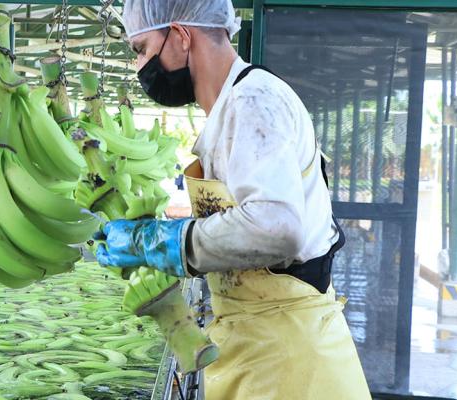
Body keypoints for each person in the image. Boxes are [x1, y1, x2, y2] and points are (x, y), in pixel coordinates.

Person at [94, 1, 371, 398]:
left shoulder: (253, 101)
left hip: (290, 363)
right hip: (261, 348)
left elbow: (278, 228)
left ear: (181, 36)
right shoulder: (232, 110)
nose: (140, 67)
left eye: (141, 49)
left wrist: (167, 242)